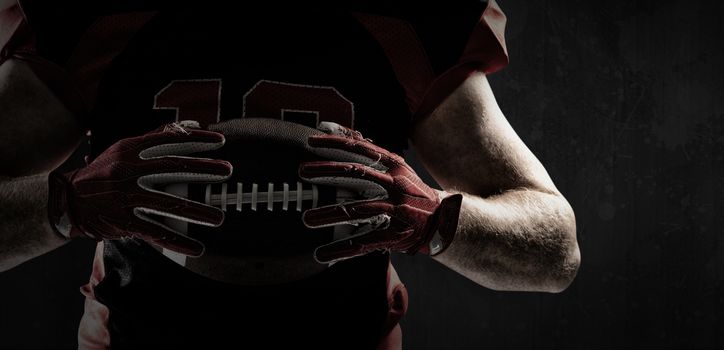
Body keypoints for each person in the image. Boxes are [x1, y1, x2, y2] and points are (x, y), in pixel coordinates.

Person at [0, 0, 580, 348]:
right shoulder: (98, 20)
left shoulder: (402, 23)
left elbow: (555, 251)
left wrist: (431, 217)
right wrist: (69, 203)